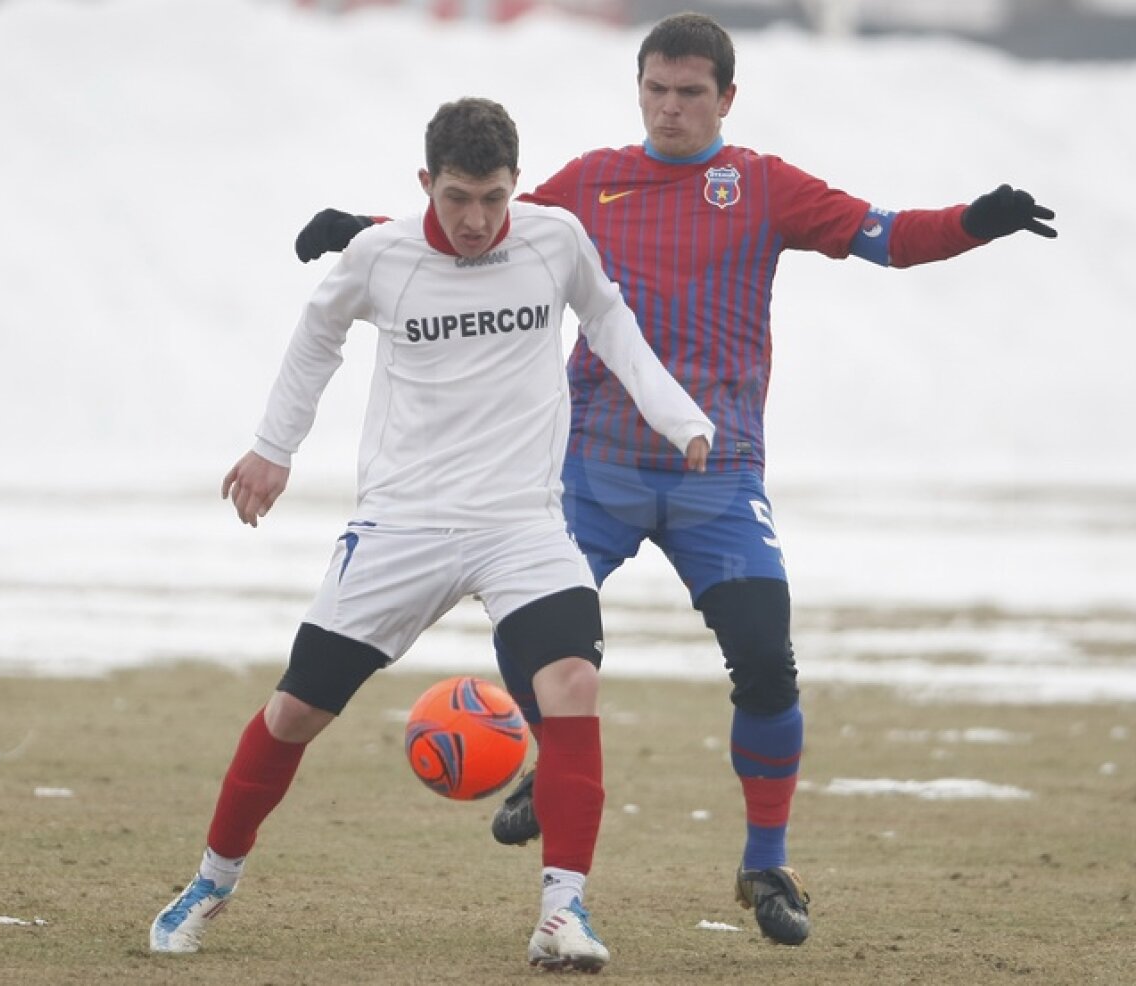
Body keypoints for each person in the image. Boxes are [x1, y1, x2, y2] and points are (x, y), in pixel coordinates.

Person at [292, 11, 1057, 950]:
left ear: (726, 98)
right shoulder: (590, 183)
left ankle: (765, 862)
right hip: (591, 464)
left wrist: (975, 224)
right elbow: (470, 230)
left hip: (718, 476)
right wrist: (358, 229)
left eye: (690, 92)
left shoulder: (767, 187)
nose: (670, 108)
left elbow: (886, 236)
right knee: (533, 628)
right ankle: (550, 762)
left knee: (768, 663)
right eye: (656, 89)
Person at [148, 97, 713, 973]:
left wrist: (679, 418)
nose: (477, 220)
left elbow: (609, 321)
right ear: (425, 186)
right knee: (296, 709)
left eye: (492, 197)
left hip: (522, 521)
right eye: (456, 198)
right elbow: (316, 338)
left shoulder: (554, 239)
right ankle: (210, 882)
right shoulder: (382, 257)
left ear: (515, 186)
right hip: (402, 523)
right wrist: (272, 449)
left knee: (570, 682)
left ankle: (563, 911)